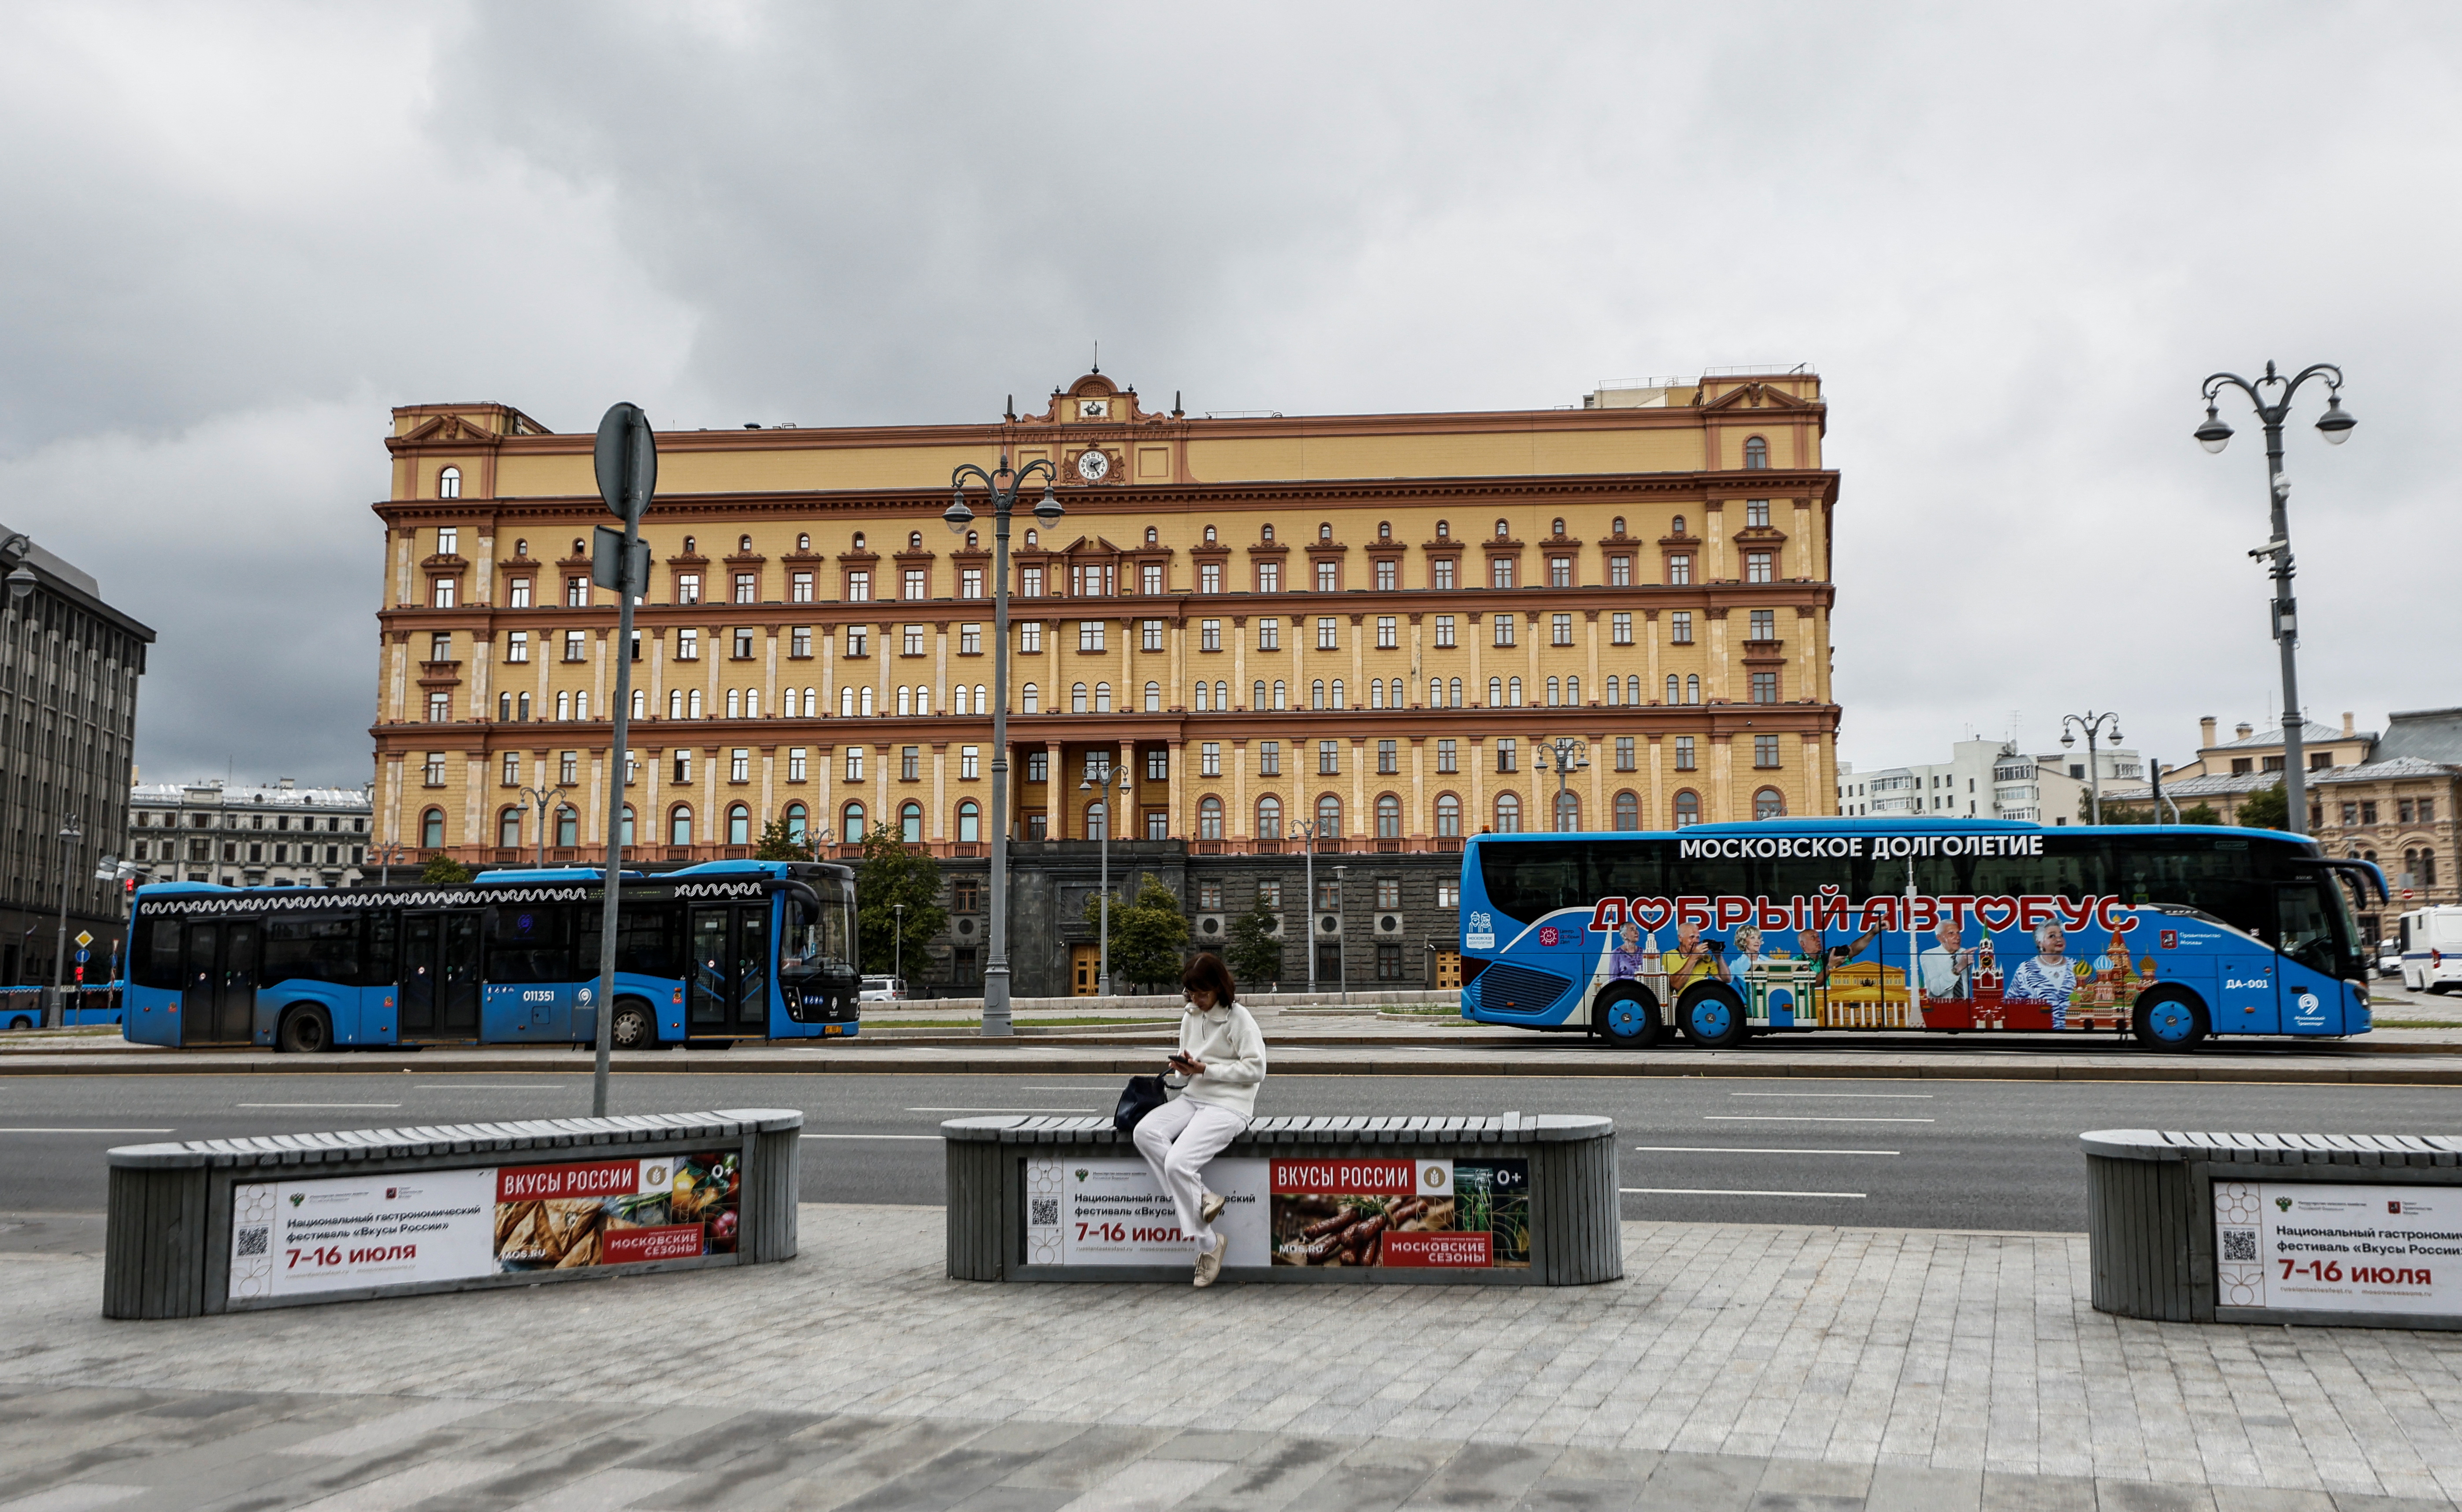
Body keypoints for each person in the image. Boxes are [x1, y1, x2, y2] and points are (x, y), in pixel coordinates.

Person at [1133, 952, 1267, 1288]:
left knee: (1178, 1163)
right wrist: (1185, 1066)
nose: (1197, 1000)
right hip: (1194, 1096)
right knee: (1145, 1131)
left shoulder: (1239, 1019)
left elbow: (1257, 1069)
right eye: (1191, 993)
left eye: (1203, 993)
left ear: (1220, 988)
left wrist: (1207, 1069)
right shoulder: (1190, 1015)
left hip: (1230, 1105)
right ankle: (1204, 1197)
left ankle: (1208, 1245)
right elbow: (1191, 1056)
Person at [2006, 921, 2076, 1028]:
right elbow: (2010, 1004)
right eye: (2052, 936)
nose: (2059, 939)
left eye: (2061, 935)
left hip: (2075, 1034)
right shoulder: (2025, 969)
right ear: (2040, 942)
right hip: (2039, 1034)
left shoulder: (2077, 966)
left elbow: (2093, 995)